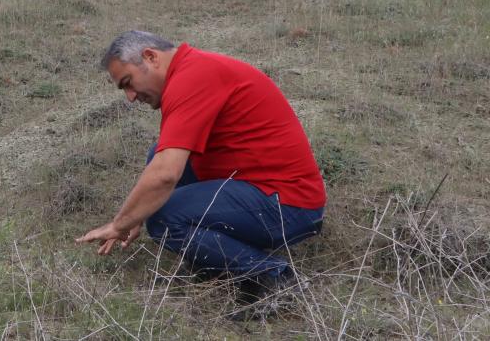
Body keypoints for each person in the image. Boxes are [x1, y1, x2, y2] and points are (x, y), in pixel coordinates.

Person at [74, 30, 326, 316]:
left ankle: (273, 278)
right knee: (159, 151)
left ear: (150, 57)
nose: (130, 97)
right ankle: (216, 262)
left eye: (128, 83)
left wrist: (123, 222)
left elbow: (165, 175)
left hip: (291, 206)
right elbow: (163, 160)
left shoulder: (193, 78)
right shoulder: (192, 70)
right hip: (270, 192)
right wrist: (136, 211)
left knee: (163, 217)